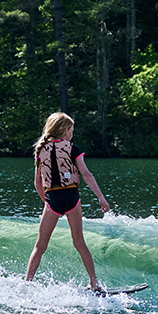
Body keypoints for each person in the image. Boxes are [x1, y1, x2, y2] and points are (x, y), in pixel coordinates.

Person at [25, 112, 110, 291]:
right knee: (79, 242)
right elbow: (86, 175)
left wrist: (46, 203)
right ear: (65, 130)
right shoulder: (73, 148)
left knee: (40, 246)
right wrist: (101, 198)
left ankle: (27, 284)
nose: (72, 133)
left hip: (52, 199)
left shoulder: (41, 150)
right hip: (71, 197)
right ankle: (94, 283)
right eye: (71, 129)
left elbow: (38, 182)